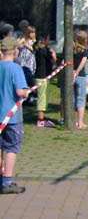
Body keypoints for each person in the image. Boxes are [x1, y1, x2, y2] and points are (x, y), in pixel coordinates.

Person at [0, 36, 30, 194]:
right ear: (15, 50)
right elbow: (20, 91)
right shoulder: (15, 68)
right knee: (11, 148)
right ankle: (7, 181)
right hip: (11, 118)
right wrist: (27, 92)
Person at [33, 35, 57, 127]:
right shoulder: (44, 51)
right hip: (41, 77)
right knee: (42, 98)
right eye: (48, 39)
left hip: (42, 76)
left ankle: (42, 117)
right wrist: (53, 56)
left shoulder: (39, 50)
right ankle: (40, 120)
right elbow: (53, 61)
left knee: (43, 97)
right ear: (44, 40)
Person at [72, 31, 88, 129]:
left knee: (72, 99)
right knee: (81, 99)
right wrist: (77, 71)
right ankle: (80, 122)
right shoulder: (85, 50)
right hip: (81, 76)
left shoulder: (72, 49)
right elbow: (83, 62)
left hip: (71, 75)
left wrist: (72, 72)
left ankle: (72, 121)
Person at [15, 26, 36, 103]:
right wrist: (21, 41)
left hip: (30, 62)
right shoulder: (23, 39)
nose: (33, 34)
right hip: (22, 61)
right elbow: (16, 45)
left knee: (30, 78)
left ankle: (31, 96)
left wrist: (26, 45)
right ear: (28, 33)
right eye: (31, 32)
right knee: (23, 79)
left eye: (34, 32)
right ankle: (24, 97)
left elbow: (33, 49)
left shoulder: (34, 41)